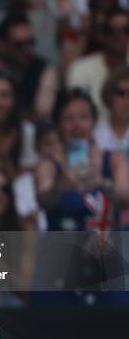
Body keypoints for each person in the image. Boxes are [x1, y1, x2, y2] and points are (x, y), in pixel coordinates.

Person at [34, 88, 129, 231]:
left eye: (83, 117)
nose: (76, 125)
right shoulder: (48, 164)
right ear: (58, 125)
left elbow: (125, 199)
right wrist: (62, 186)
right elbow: (43, 201)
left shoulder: (114, 159)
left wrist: (102, 184)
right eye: (68, 119)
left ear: (94, 122)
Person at [67, 8, 129, 121]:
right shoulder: (81, 69)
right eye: (113, 31)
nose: (120, 36)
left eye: (126, 30)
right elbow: (77, 114)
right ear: (104, 35)